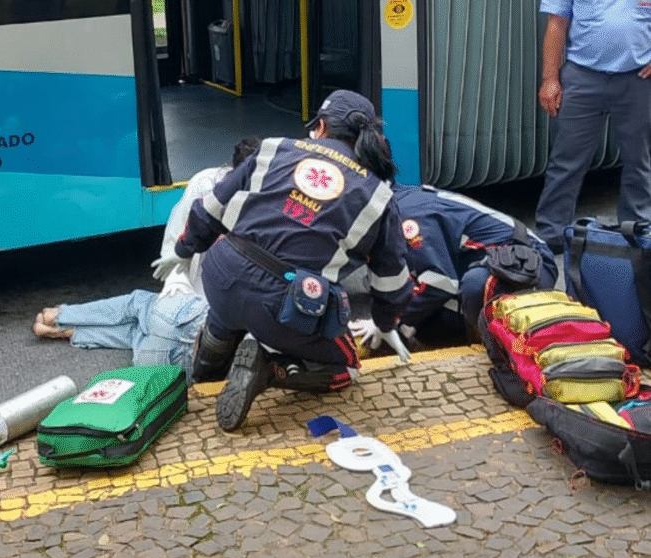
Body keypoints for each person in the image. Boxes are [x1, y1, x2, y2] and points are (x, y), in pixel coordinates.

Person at [151, 89, 413, 432]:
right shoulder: (377, 194)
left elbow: (208, 210)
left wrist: (183, 252)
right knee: (346, 368)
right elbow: (391, 280)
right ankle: (271, 370)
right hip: (286, 307)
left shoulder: (273, 148)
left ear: (320, 126)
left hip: (221, 275)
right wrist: (386, 321)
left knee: (231, 303)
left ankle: (208, 366)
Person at [32, 138, 261, 384]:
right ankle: (71, 331)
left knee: (140, 304)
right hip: (178, 363)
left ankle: (62, 316)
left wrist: (177, 279)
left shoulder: (217, 187)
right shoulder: (233, 193)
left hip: (191, 316)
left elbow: (178, 238)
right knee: (137, 332)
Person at [353, 184, 559, 348]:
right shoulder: (393, 201)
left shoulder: (407, 215)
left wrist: (387, 320)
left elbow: (438, 282)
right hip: (487, 265)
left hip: (529, 264)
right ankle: (473, 333)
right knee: (430, 327)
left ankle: (492, 353)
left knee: (475, 285)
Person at [535, 2, 651, 254]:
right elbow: (556, 25)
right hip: (582, 77)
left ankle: (639, 234)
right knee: (566, 162)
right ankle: (550, 237)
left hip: (638, 79)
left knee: (639, 161)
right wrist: (550, 79)